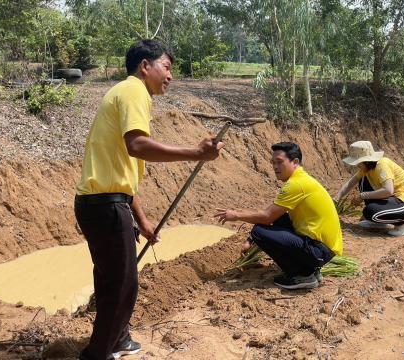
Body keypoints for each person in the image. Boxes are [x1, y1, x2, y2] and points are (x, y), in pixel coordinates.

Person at [74, 39, 223, 360]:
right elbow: (138, 146)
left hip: (103, 203)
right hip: (105, 205)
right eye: (166, 67)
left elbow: (126, 176)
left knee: (113, 280)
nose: (170, 76)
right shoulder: (133, 92)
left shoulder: (125, 95)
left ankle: (119, 338)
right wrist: (195, 153)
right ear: (145, 66)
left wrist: (142, 221)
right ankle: (96, 354)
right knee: (122, 287)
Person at [215, 142, 342, 290]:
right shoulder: (301, 179)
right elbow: (274, 216)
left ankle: (302, 275)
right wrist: (251, 240)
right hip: (322, 248)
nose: (275, 167)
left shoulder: (296, 184)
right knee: (278, 219)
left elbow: (267, 216)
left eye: (280, 162)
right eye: (273, 162)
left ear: (295, 162)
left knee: (259, 231)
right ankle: (310, 269)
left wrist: (235, 215)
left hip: (320, 251)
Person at [334, 140, 404, 236]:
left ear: (366, 160)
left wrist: (362, 196)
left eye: (358, 163)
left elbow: (388, 190)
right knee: (363, 180)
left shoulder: (381, 165)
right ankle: (377, 222)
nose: (357, 165)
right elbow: (350, 183)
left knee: (371, 212)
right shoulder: (367, 169)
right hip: (392, 200)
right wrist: (337, 198)